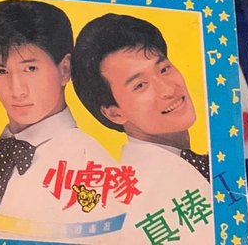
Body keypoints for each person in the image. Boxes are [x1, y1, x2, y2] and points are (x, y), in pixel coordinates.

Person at [0, 0, 122, 241]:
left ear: (64, 69)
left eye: (30, 69)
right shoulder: (0, 155)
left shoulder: (89, 165)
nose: (17, 90)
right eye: (1, 71)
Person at [72, 13, 213, 244]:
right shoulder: (147, 192)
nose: (168, 89)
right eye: (140, 85)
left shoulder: (199, 158)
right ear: (114, 113)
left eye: (164, 69)